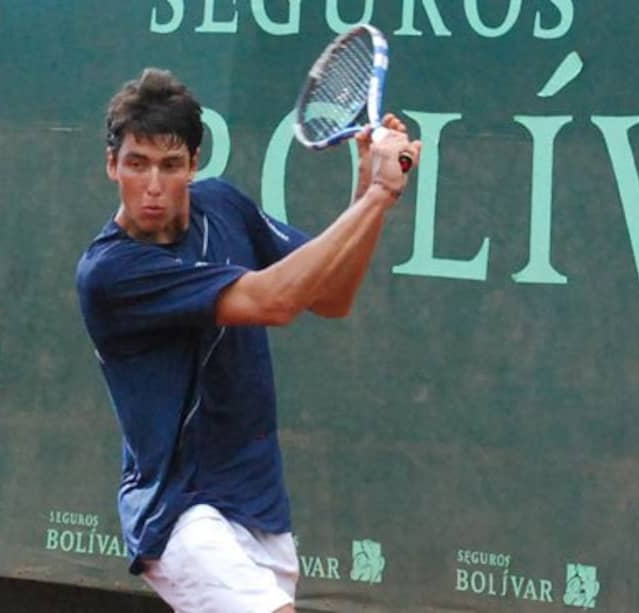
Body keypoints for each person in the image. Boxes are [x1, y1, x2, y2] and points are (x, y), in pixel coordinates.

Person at [76, 67, 421, 613]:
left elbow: (330, 297)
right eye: (136, 164)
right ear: (111, 165)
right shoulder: (111, 273)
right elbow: (273, 302)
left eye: (170, 165)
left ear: (193, 164)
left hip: (259, 502)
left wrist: (365, 196)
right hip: (180, 508)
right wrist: (379, 193)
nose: (153, 185)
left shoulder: (222, 205)